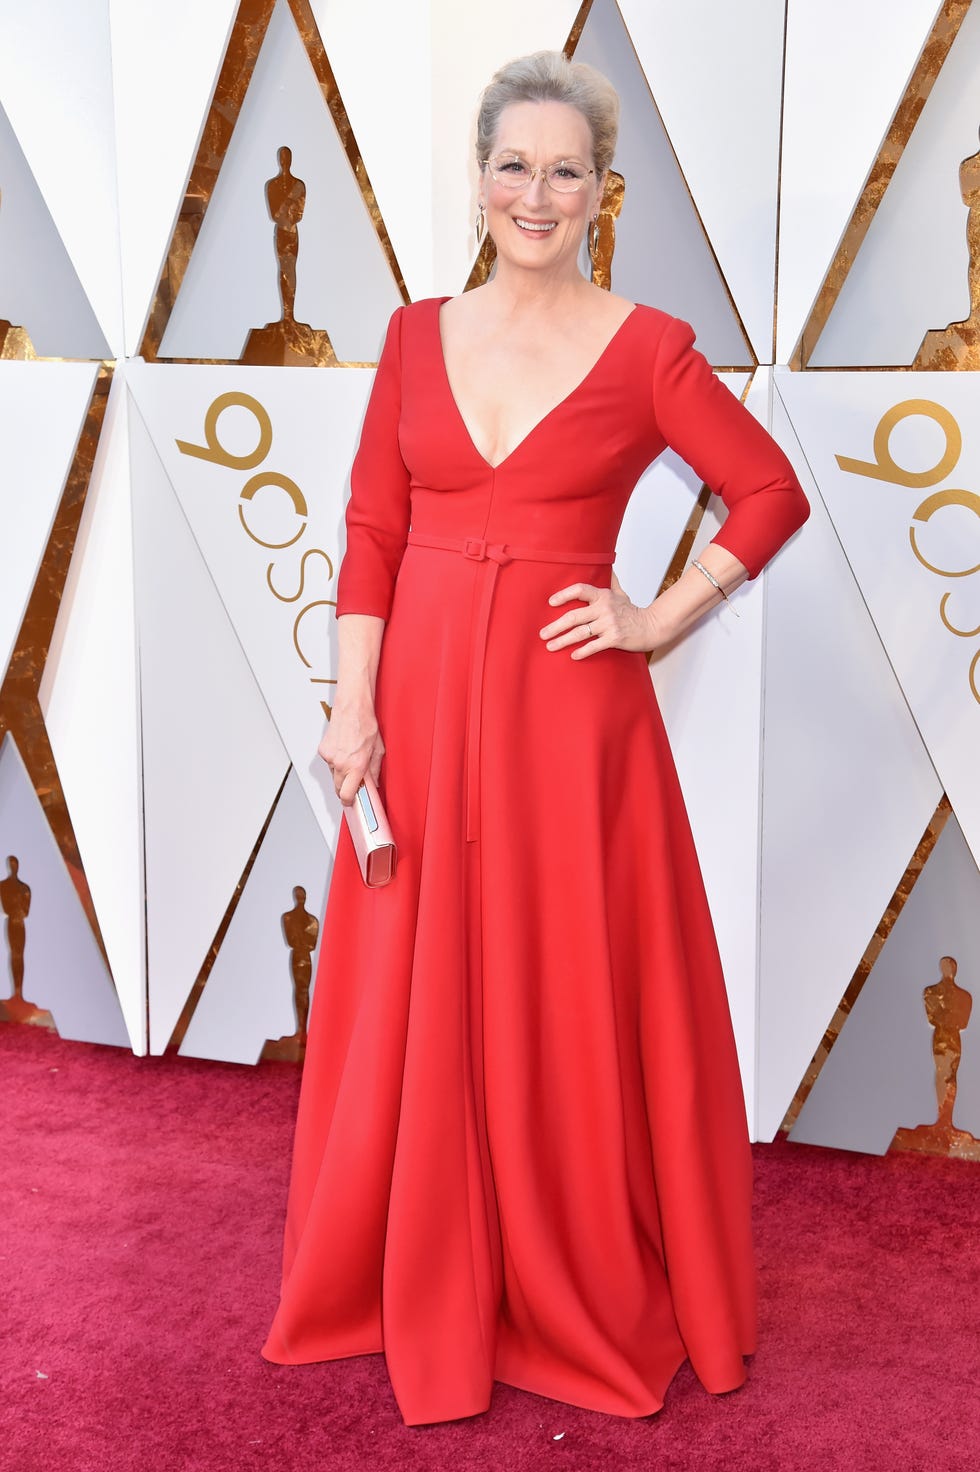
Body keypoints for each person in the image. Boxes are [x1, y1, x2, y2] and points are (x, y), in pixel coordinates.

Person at [263, 50, 809, 1425]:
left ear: (602, 192)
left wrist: (658, 616)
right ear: (481, 175)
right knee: (417, 989)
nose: (538, 192)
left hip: (573, 730)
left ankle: (562, 1271)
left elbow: (767, 491)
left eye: (568, 171)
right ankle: (415, 1262)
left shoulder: (648, 349)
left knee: (565, 989)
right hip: (423, 711)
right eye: (517, 164)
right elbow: (376, 533)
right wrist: (350, 705)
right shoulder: (409, 336)